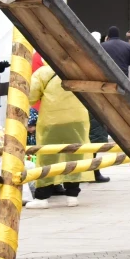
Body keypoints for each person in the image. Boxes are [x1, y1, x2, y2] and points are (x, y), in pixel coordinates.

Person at [25, 53, 93, 208]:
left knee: (47, 157)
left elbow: (31, 96)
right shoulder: (77, 70)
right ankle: (72, 195)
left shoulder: (43, 73)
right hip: (77, 119)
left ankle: (42, 197)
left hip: (52, 121)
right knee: (75, 155)